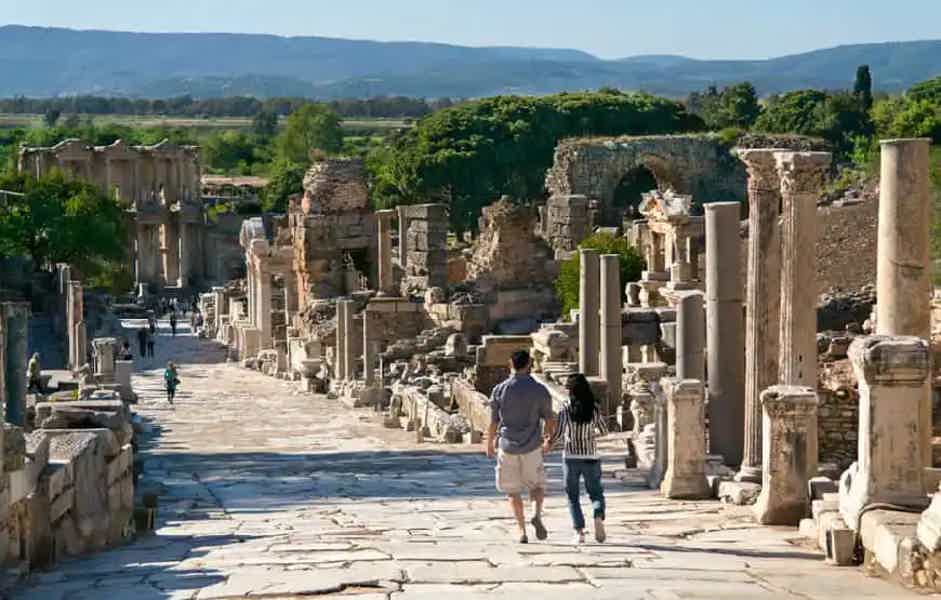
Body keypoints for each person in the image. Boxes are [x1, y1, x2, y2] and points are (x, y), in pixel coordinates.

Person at [486, 349, 556, 544]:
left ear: (510, 364)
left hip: (507, 445)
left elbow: (493, 421)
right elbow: (550, 419)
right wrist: (549, 440)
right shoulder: (540, 390)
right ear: (529, 365)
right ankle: (536, 514)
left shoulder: (500, 389)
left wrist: (490, 443)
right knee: (537, 486)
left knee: (512, 491)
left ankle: (521, 530)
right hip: (532, 445)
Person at [546, 373, 609, 544]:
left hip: (571, 457)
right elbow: (604, 431)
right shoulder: (594, 408)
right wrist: (591, 434)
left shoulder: (565, 409)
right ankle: (597, 514)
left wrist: (548, 442)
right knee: (596, 493)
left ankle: (579, 532)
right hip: (591, 456)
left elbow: (558, 434)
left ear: (570, 391)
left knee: (572, 496)